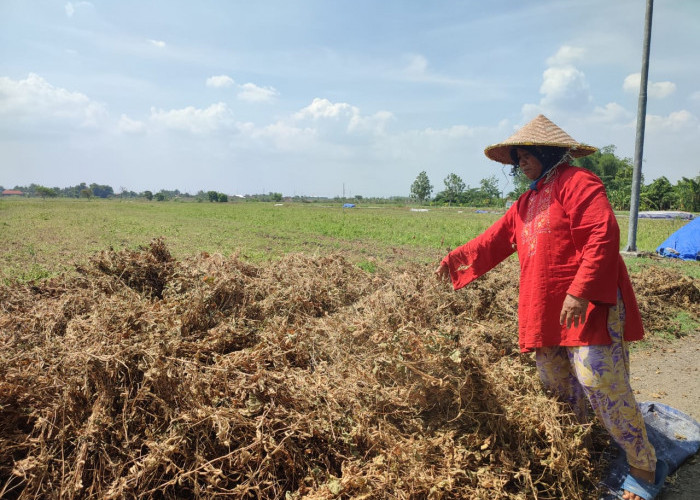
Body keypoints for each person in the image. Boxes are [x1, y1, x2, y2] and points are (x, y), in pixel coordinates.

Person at [435, 115, 667, 500]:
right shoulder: (526, 201)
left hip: (589, 303)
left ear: (549, 152)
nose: (520, 163)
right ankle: (580, 449)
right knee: (558, 384)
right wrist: (453, 262)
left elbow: (602, 232)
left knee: (599, 380)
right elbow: (493, 241)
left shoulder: (578, 183)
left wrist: (580, 291)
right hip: (545, 308)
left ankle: (643, 464)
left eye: (527, 155)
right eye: (517, 158)